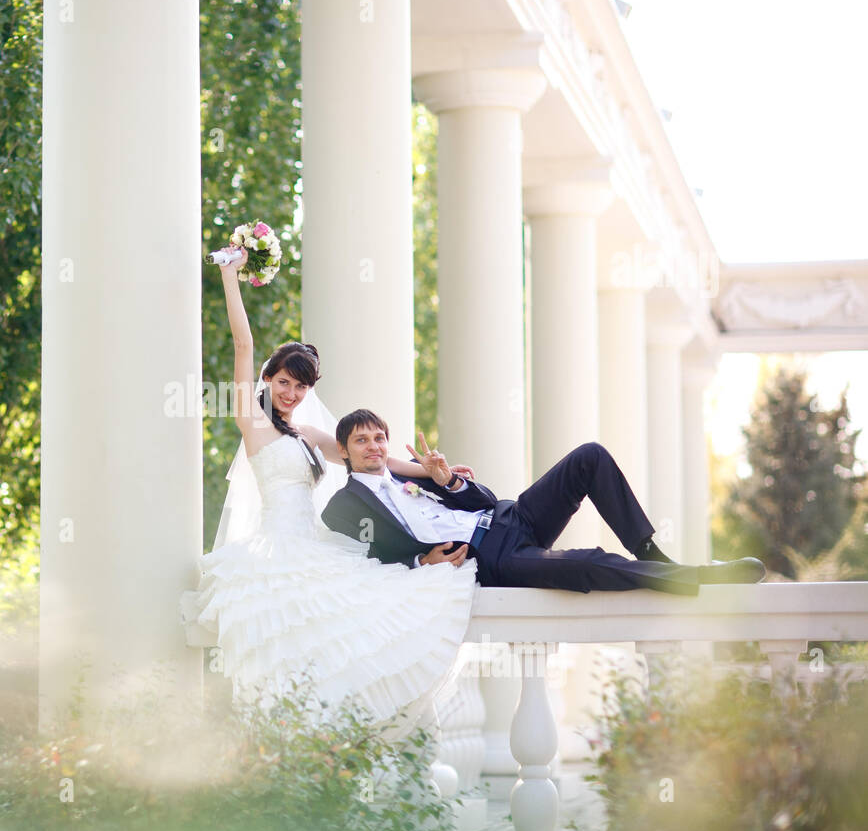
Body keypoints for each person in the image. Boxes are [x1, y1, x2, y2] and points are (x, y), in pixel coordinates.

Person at [179, 244, 478, 738]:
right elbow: (242, 347)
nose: (291, 394)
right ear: (269, 381)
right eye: (282, 383)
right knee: (291, 642)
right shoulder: (254, 425)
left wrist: (431, 472)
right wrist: (231, 277)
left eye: (300, 386)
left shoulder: (310, 438)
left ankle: (328, 749)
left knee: (355, 631)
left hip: (315, 546)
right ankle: (278, 745)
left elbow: (369, 457)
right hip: (276, 551)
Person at [321, 408, 766, 595]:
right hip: (492, 557)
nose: (375, 446)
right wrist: (422, 563)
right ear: (344, 451)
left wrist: (449, 482)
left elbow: (485, 498)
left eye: (380, 437)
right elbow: (366, 563)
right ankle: (700, 579)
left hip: (510, 516)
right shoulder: (343, 507)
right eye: (362, 441)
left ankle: (650, 550)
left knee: (588, 456)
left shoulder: (413, 473)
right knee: (585, 563)